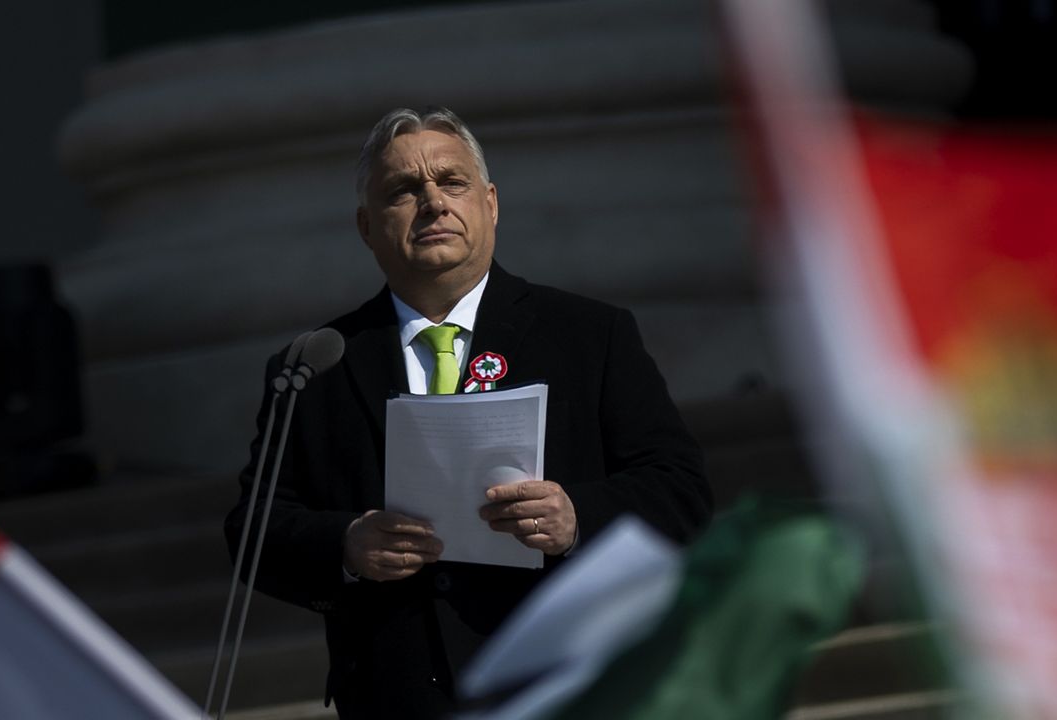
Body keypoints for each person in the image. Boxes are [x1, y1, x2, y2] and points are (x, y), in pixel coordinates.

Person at [225, 106, 712, 719]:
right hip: (395, 695)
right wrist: (347, 545)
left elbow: (681, 490)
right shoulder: (317, 366)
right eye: (403, 190)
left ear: (490, 203)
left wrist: (575, 516)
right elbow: (255, 528)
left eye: (451, 182)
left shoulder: (589, 335)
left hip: (569, 686)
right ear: (366, 227)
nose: (432, 202)